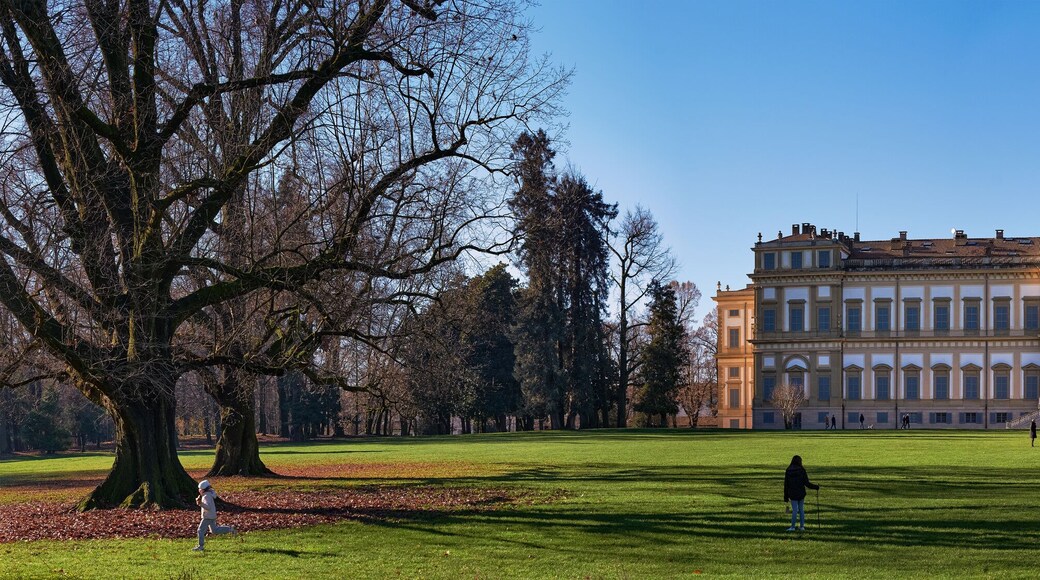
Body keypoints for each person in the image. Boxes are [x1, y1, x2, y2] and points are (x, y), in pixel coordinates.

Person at [193, 479, 236, 551]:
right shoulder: (209, 494)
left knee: (200, 531)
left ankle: (201, 546)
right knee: (214, 530)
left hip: (207, 516)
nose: (199, 491)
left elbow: (208, 507)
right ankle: (230, 529)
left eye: (200, 489)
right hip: (211, 515)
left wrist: (200, 503)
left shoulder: (206, 496)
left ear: (204, 490)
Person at [783, 455, 820, 532]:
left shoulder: (788, 470)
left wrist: (785, 496)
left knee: (794, 510)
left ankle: (792, 527)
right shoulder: (802, 470)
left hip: (792, 493)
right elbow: (807, 483)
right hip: (801, 493)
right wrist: (816, 487)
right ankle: (802, 526)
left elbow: (786, 484)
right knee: (801, 509)